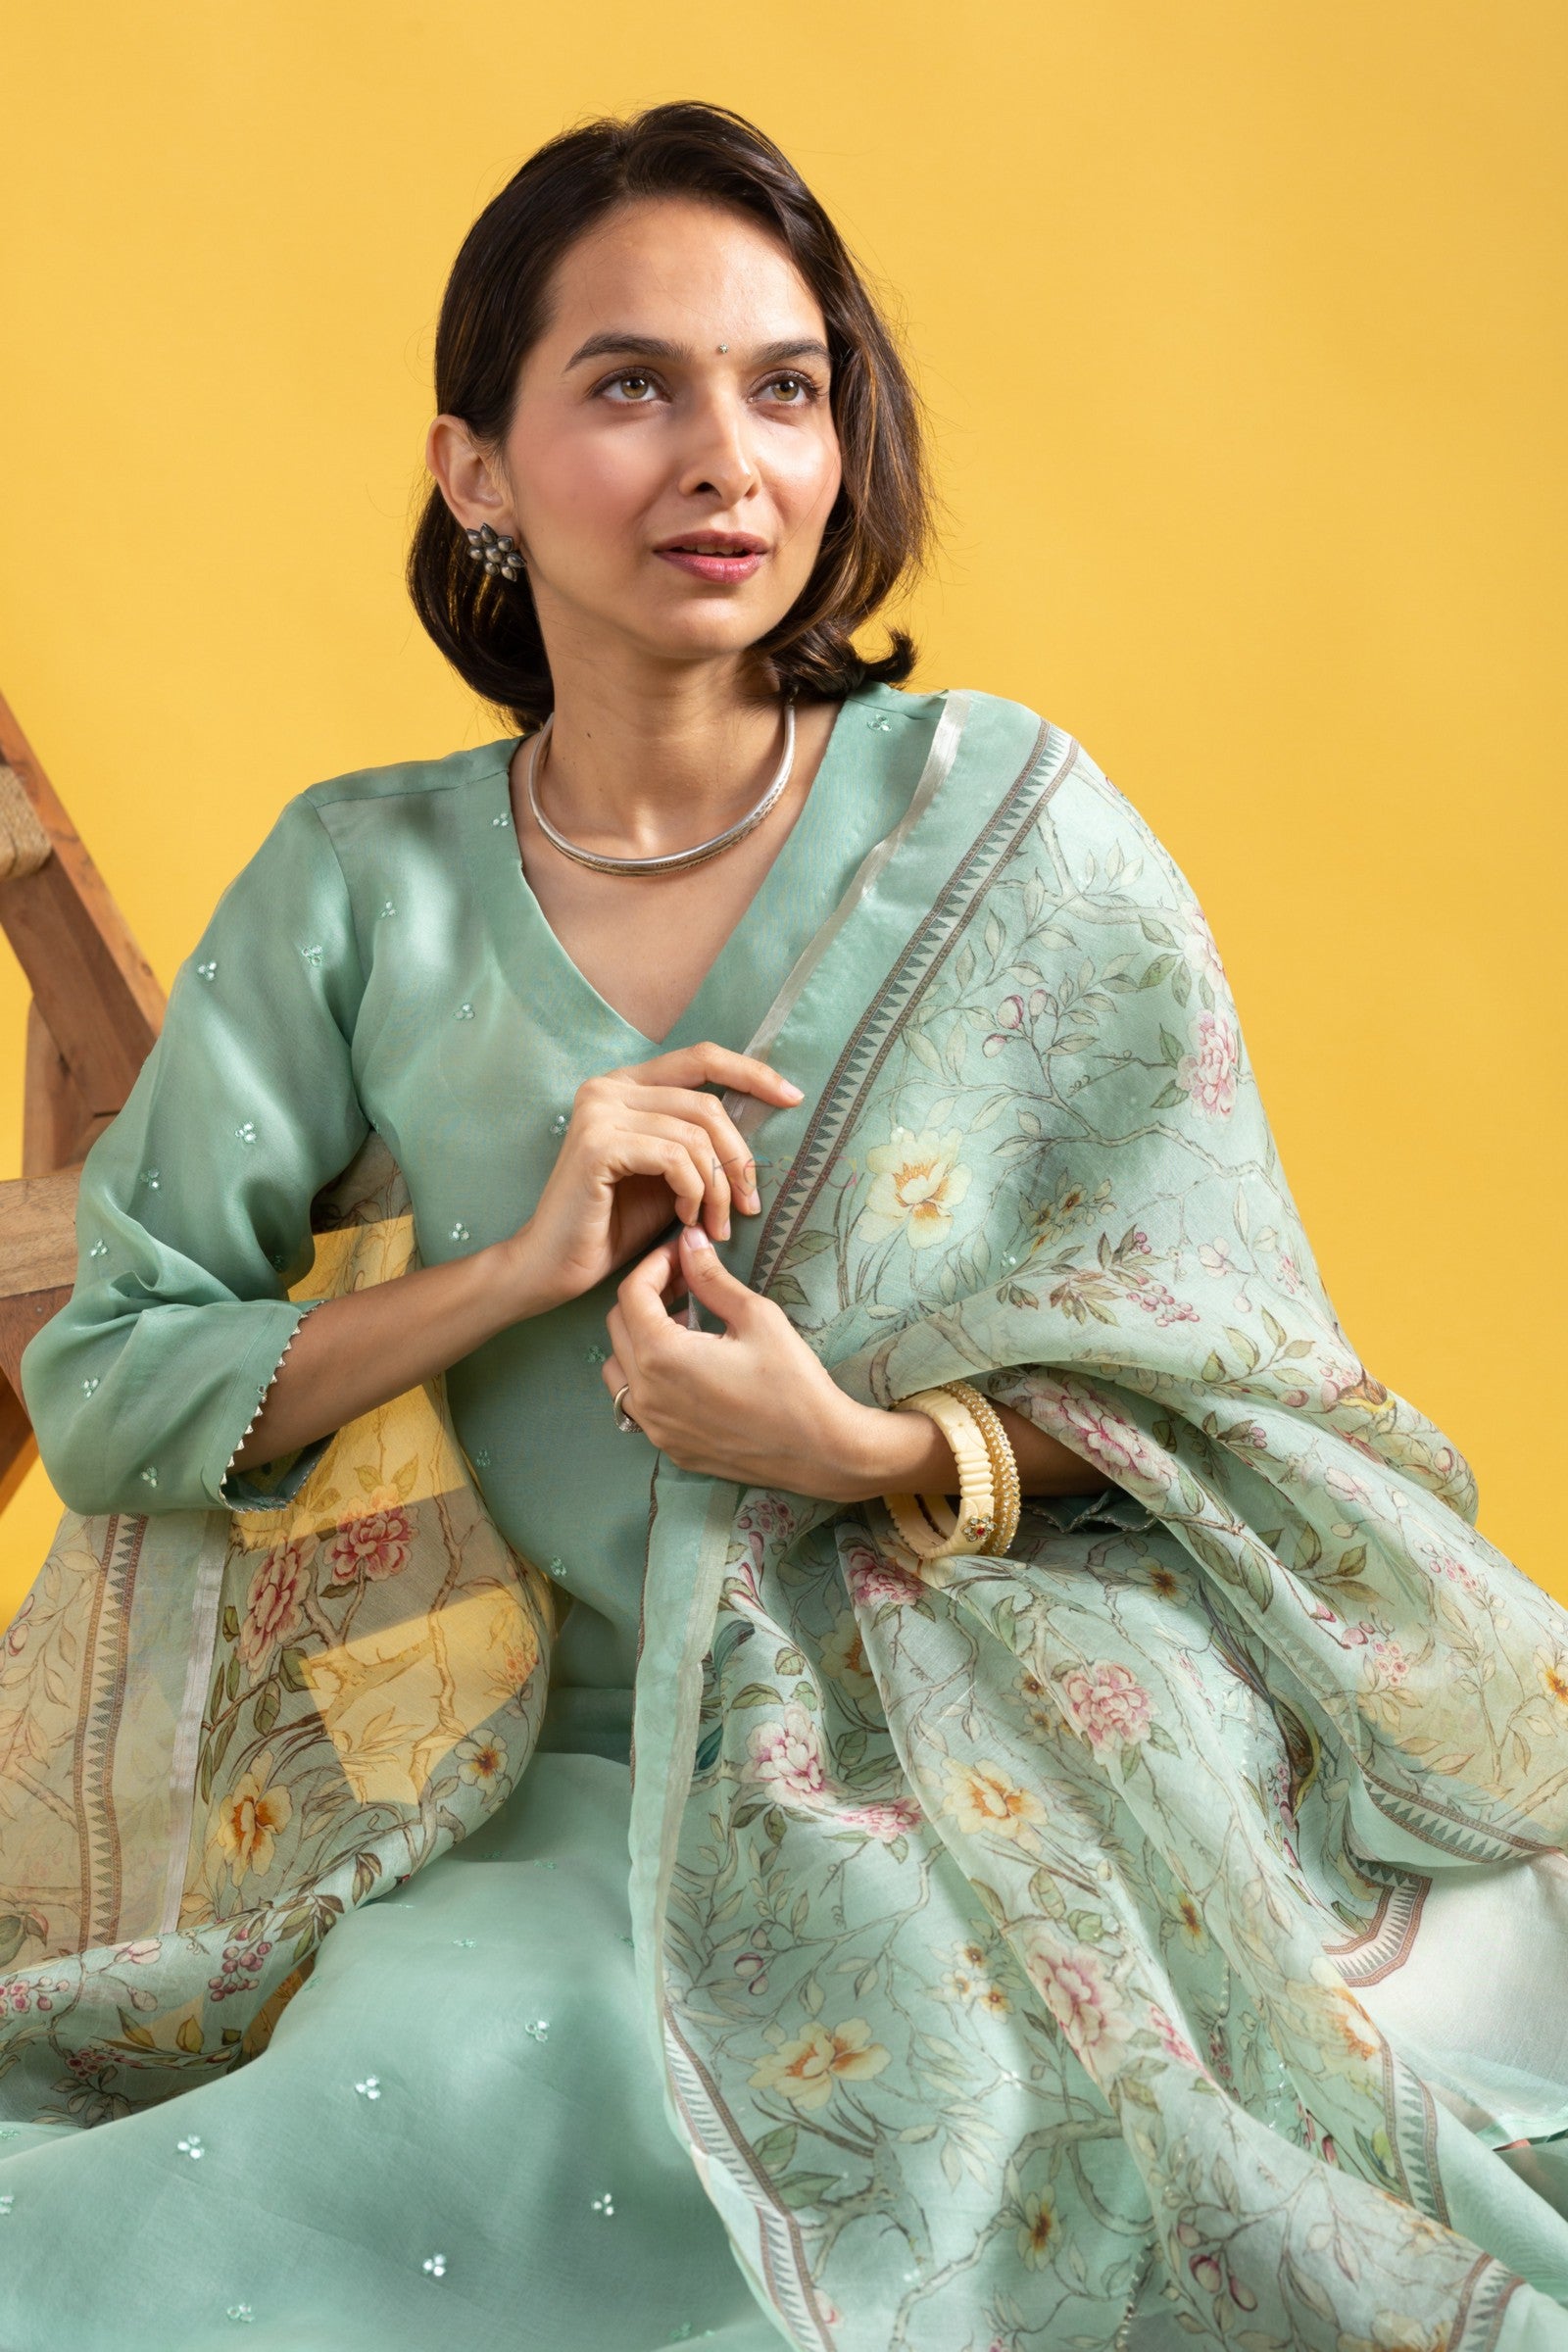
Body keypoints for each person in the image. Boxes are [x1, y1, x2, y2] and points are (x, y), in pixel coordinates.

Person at [5, 98, 1568, 2352]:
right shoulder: (358, 886)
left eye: (785, 384)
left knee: (1020, 2119)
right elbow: (118, 1368)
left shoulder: (1020, 832)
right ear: (473, 467)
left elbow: (1240, 1399)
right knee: (332, 2164)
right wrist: (507, 1276)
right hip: (524, 1788)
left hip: (984, 1739)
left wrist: (853, 1449)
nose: (723, 459)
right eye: (630, 385)